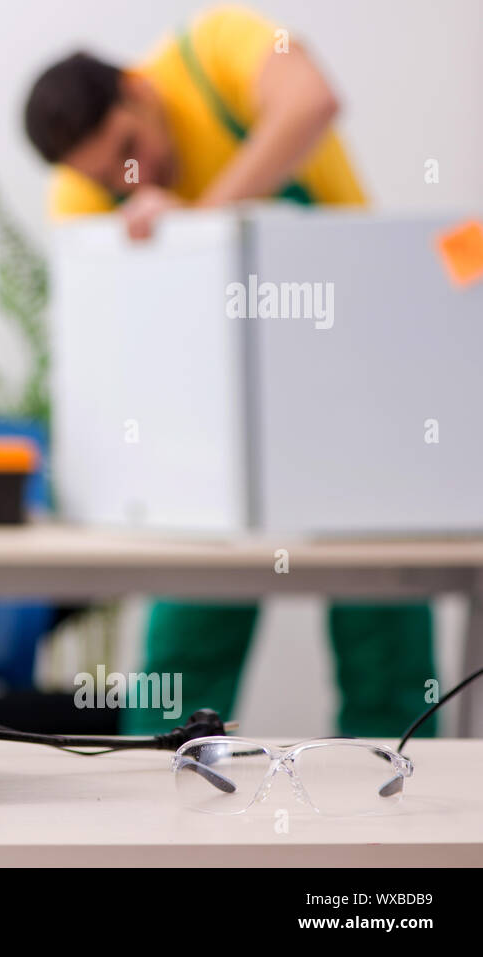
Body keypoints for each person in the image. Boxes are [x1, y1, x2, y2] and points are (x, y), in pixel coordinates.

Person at [22, 4, 436, 736]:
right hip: (211, 431)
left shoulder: (213, 50)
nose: (130, 175)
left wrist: (194, 227)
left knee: (387, 631)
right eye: (107, 172)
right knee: (189, 640)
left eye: (129, 148)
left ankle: (399, 823)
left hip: (359, 386)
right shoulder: (82, 196)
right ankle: (159, 827)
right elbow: (117, 343)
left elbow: (312, 102)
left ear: (138, 89)